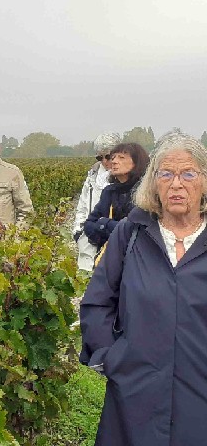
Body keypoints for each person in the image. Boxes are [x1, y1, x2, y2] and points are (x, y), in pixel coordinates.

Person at [80, 132, 207, 445]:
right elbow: (97, 302)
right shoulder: (130, 233)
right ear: (154, 181)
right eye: (166, 173)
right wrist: (112, 357)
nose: (177, 184)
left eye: (188, 173)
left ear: (204, 180)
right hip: (134, 393)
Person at [83, 142, 149, 251]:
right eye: (113, 157)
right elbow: (89, 225)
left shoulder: (145, 192)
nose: (113, 161)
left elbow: (136, 232)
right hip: (110, 259)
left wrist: (103, 223)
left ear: (137, 163)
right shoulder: (109, 191)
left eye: (121, 157)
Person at [72, 132, 121, 271]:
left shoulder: (124, 177)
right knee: (86, 283)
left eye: (108, 156)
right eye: (100, 157)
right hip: (88, 239)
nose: (105, 161)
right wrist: (78, 232)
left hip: (112, 239)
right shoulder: (92, 176)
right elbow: (82, 205)